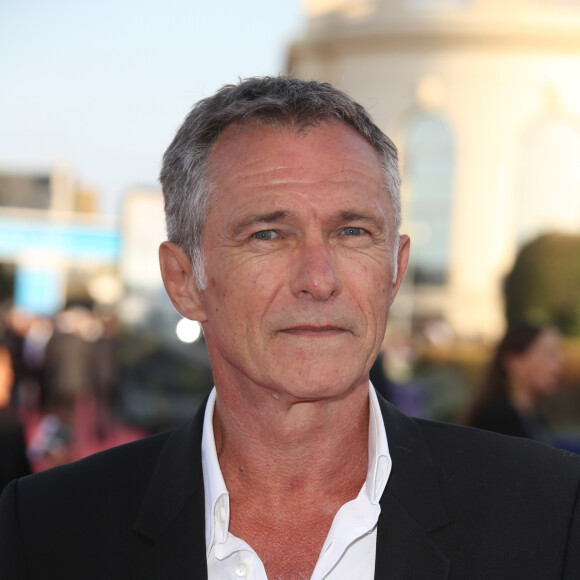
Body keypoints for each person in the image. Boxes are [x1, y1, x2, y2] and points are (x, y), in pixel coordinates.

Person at [1, 76, 579, 579]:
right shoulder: (50, 530)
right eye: (268, 235)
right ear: (183, 281)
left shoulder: (549, 512)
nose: (319, 279)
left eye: (352, 232)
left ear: (395, 269)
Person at [464, 321, 563, 442]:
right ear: (514, 362)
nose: (558, 366)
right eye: (549, 354)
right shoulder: (497, 422)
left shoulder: (531, 417)